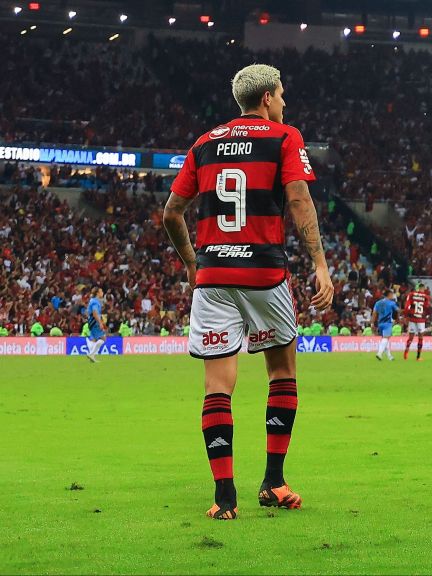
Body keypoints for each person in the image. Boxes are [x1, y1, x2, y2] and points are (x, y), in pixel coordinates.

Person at [163, 63, 333, 520]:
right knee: (282, 373)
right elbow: (298, 200)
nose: (284, 103)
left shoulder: (204, 143)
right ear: (266, 100)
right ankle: (273, 482)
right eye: (281, 95)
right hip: (264, 275)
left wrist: (193, 263)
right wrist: (320, 263)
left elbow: (171, 213)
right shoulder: (284, 137)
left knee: (218, 387)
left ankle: (224, 498)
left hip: (214, 279)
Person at [403, 282, 431, 361]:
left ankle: (406, 352)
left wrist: (406, 316)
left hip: (412, 318)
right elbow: (427, 307)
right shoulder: (426, 297)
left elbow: (407, 306)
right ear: (422, 289)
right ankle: (418, 357)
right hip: (421, 319)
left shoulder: (411, 294)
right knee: (420, 337)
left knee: (411, 337)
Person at [371, 289, 400, 361]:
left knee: (385, 339)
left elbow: (374, 313)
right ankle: (379, 353)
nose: (393, 296)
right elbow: (398, 310)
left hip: (380, 323)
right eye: (392, 294)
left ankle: (390, 356)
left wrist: (372, 323)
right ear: (389, 295)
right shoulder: (391, 303)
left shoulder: (378, 303)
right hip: (387, 323)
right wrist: (397, 319)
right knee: (386, 338)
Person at [83, 287, 107, 362]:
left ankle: (92, 357)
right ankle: (91, 354)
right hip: (95, 322)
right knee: (103, 338)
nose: (102, 292)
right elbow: (95, 313)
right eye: (101, 291)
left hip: (91, 322)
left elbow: (87, 312)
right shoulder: (95, 302)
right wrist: (100, 323)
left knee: (94, 339)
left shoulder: (92, 301)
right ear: (97, 293)